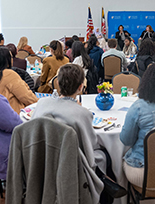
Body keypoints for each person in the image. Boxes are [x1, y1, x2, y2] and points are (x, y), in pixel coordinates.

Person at [32, 63, 103, 202]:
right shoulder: (82, 114)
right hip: (70, 167)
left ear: (57, 83)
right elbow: (90, 149)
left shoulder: (42, 103)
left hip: (39, 162)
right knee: (104, 156)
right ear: (81, 87)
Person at [0, 47, 38, 114]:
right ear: (8, 60)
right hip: (14, 116)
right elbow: (26, 96)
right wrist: (40, 103)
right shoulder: (8, 74)